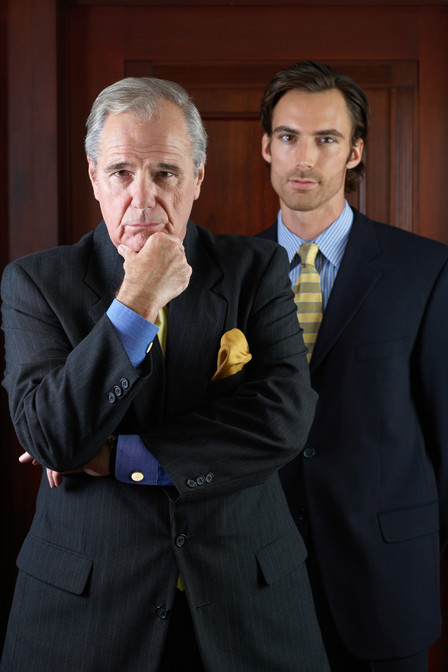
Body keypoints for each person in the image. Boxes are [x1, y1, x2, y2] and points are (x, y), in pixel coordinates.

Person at [0, 77, 329, 672]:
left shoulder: (256, 269)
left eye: (166, 173)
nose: (143, 198)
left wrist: (117, 457)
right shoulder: (35, 283)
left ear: (197, 178)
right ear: (94, 177)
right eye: (122, 172)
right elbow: (52, 438)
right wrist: (137, 301)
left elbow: (283, 421)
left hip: (249, 604)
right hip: (86, 611)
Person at [257, 59, 448, 672]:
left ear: (355, 151)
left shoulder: (424, 270)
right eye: (289, 137)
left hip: (387, 581)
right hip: (256, 580)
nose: (304, 158)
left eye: (326, 139)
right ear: (266, 147)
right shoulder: (225, 273)